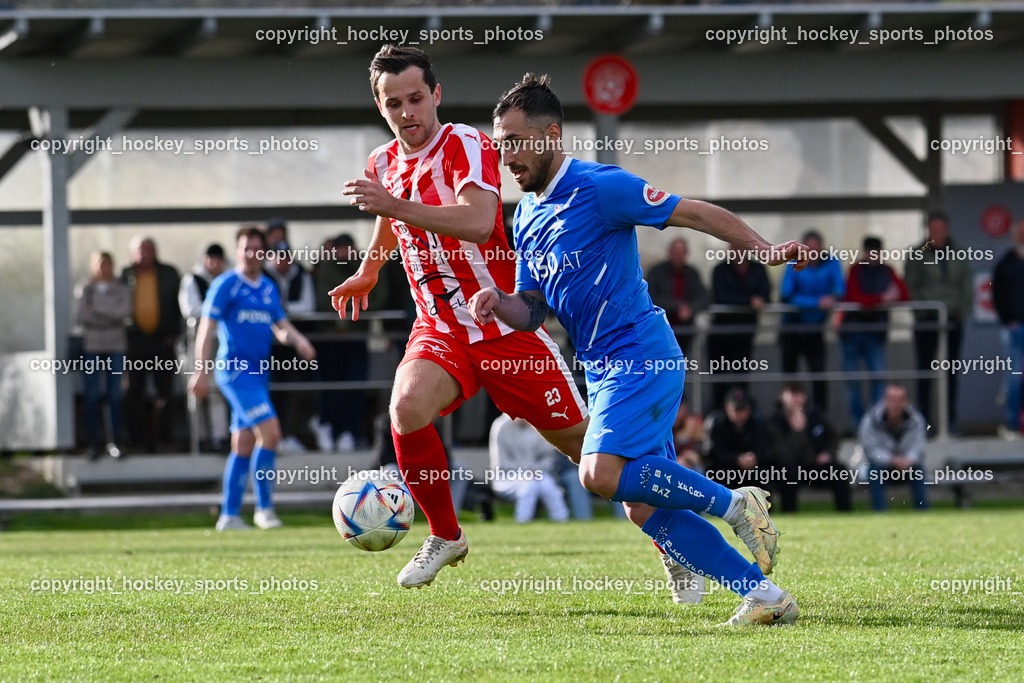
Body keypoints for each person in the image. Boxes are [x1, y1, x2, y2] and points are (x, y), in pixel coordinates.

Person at [469, 73, 808, 625]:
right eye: (499, 142)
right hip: (601, 369)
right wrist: (498, 302)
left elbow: (692, 211)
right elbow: (534, 307)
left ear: (551, 135)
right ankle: (765, 597)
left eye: (514, 140)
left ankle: (736, 504)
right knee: (643, 504)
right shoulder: (526, 216)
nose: (504, 155)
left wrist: (763, 249)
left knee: (598, 475)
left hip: (641, 355)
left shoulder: (601, 186)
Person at [328, 46, 589, 590]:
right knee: (406, 408)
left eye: (416, 98)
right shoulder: (382, 163)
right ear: (380, 107)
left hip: (503, 326)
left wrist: (392, 206)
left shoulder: (466, 144)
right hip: (440, 327)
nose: (407, 113)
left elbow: (476, 221)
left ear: (436, 95)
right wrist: (370, 271)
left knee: (594, 459)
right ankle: (446, 534)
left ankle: (675, 534)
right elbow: (387, 221)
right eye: (393, 103)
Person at [188, 225, 316, 531]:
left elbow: (279, 323)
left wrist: (297, 340)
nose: (251, 254)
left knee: (243, 443)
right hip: (234, 372)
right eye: (245, 248)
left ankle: (229, 515)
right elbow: (206, 329)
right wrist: (201, 370)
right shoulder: (226, 284)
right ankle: (265, 510)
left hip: (259, 375)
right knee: (271, 434)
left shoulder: (268, 288)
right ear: (237, 251)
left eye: (256, 249)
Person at [904, 210, 973, 435]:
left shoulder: (959, 253)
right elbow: (911, 286)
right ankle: (924, 423)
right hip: (927, 320)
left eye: (940, 229)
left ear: (947, 229)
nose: (937, 234)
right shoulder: (917, 254)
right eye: (932, 230)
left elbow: (967, 286)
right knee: (925, 373)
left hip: (952, 320)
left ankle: (949, 421)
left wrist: (961, 311)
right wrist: (923, 311)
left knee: (950, 372)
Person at [120, 236, 182, 452]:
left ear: (155, 251)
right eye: (140, 250)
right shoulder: (126, 275)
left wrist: (174, 333)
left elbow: (179, 305)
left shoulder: (168, 274)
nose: (144, 254)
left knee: (165, 391)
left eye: (148, 249)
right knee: (134, 391)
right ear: (132, 253)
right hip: (135, 343)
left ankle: (165, 439)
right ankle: (136, 439)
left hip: (162, 342)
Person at [840, 236, 909, 428]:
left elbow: (903, 295)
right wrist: (882, 298)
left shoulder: (887, 271)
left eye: (876, 252)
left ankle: (876, 423)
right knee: (853, 382)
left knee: (878, 379)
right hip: (852, 333)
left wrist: (873, 301)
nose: (872, 255)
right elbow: (855, 298)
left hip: (876, 333)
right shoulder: (855, 270)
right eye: (869, 251)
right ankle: (858, 424)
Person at [779, 229, 844, 410]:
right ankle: (789, 416)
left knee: (819, 376)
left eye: (816, 249)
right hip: (792, 327)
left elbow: (840, 289)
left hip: (816, 328)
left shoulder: (832, 262)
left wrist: (832, 298)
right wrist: (817, 302)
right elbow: (786, 295)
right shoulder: (793, 262)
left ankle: (820, 417)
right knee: (790, 377)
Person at [74, 251, 131, 460]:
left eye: (108, 264)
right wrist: (110, 315)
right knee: (92, 396)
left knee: (115, 396)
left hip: (116, 347)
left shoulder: (121, 288)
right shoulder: (86, 288)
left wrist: (97, 310)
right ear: (94, 266)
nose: (104, 268)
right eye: (100, 264)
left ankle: (115, 442)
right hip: (92, 348)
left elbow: (124, 313)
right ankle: (93, 444)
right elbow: (82, 315)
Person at [769, 382, 851, 512]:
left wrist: (827, 453)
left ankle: (846, 513)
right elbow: (782, 453)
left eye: (800, 394)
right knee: (789, 474)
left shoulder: (815, 415)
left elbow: (833, 438)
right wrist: (797, 431)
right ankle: (789, 514)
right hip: (788, 468)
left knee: (839, 471)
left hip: (815, 466)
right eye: (792, 394)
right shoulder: (775, 421)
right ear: (783, 396)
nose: (796, 399)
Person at [179, 243, 230, 453]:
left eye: (218, 259)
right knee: (197, 390)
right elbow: (191, 310)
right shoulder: (192, 279)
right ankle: (199, 439)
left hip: (220, 342)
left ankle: (219, 436)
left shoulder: (228, 279)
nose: (214, 263)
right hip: (194, 343)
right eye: (210, 258)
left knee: (217, 391)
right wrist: (217, 311)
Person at [709, 244, 771, 409]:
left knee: (742, 379)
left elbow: (766, 295)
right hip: (721, 335)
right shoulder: (720, 270)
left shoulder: (758, 269)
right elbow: (720, 296)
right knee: (719, 380)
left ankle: (742, 416)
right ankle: (719, 416)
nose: (738, 252)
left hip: (746, 334)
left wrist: (756, 301)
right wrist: (749, 300)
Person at [858, 384, 928, 511]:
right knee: (874, 471)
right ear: (885, 400)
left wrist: (908, 460)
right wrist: (891, 460)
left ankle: (923, 511)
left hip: (907, 466)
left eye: (899, 400)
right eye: (891, 400)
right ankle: (880, 513)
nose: (895, 404)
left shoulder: (916, 420)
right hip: (882, 465)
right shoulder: (870, 420)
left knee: (918, 470)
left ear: (905, 401)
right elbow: (870, 449)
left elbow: (918, 446)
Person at [489, 414, 570, 523]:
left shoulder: (537, 425)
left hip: (537, 473)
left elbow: (548, 458)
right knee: (528, 486)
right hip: (507, 476)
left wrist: (534, 470)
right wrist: (526, 471)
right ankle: (523, 522)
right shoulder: (500, 426)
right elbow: (501, 463)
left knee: (549, 486)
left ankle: (562, 521)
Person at [646, 238, 709, 356]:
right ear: (669, 252)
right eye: (675, 252)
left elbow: (704, 297)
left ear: (686, 254)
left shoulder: (692, 273)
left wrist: (690, 309)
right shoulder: (657, 272)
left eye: (681, 253)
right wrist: (677, 307)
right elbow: (650, 297)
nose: (678, 256)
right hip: (661, 326)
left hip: (685, 327)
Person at [703, 388, 773, 491]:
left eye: (743, 410)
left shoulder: (758, 423)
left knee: (763, 473)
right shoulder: (717, 423)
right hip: (725, 468)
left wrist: (755, 457)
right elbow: (712, 452)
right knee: (718, 473)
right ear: (727, 408)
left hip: (752, 467)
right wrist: (736, 459)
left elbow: (766, 448)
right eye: (736, 410)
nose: (740, 414)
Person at [991, 219, 1024, 440]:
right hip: (1015, 328)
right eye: (1019, 234)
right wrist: (1008, 320)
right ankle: (1014, 424)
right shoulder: (1004, 264)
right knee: (1015, 377)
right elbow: (997, 296)